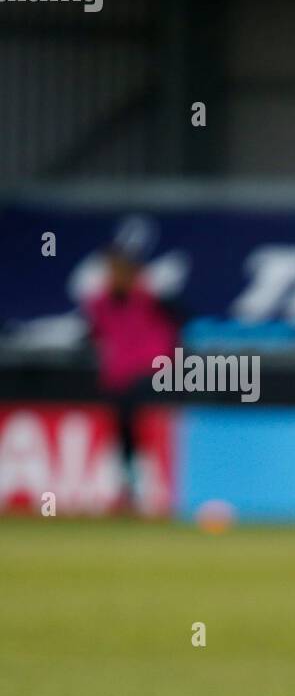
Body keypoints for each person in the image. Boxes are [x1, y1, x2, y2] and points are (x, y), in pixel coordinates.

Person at [82, 218, 184, 513]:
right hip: (119, 379)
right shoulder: (100, 303)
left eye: (120, 269)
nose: (115, 274)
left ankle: (150, 489)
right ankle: (130, 492)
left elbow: (180, 327)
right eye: (112, 269)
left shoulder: (153, 300)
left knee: (143, 425)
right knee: (124, 433)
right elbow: (93, 336)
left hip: (152, 375)